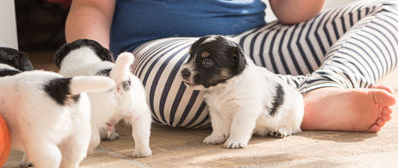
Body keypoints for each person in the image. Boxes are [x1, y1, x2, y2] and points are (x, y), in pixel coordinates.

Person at [65, 0, 398, 132]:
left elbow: (291, 12)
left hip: (250, 46)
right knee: (175, 88)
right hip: (165, 50)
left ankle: (322, 87)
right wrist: (98, 73)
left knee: (390, 12)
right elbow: (92, 7)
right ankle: (291, 102)